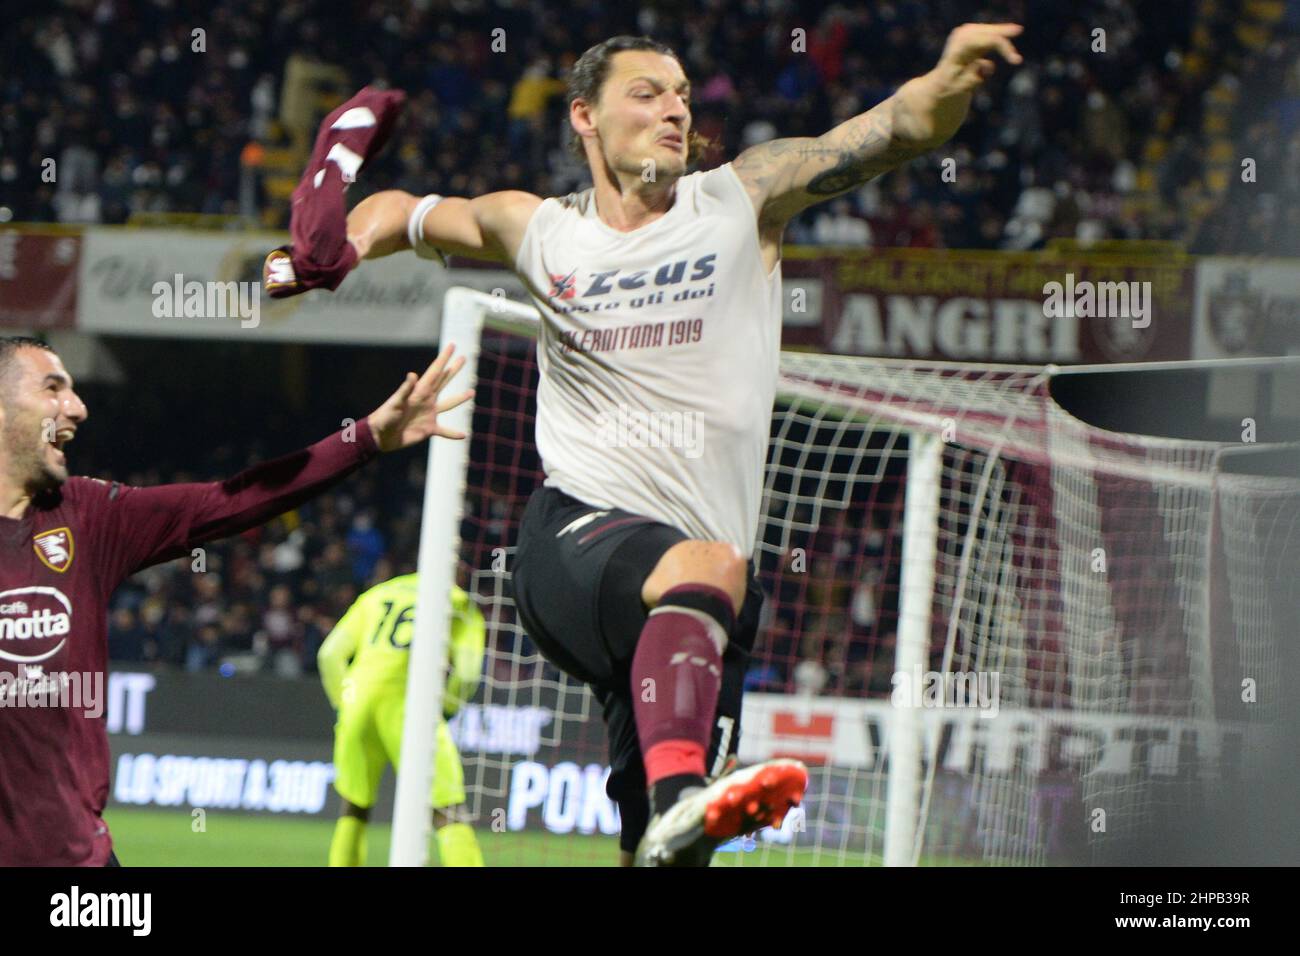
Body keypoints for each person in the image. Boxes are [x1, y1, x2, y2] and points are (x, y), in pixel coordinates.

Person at [267, 23, 1022, 865]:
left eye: (683, 96)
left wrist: (950, 73)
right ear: (584, 116)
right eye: (648, 93)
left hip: (700, 605)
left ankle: (670, 814)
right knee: (702, 598)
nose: (675, 111)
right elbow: (398, 211)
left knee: (666, 853)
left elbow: (895, 130)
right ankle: (681, 798)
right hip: (573, 540)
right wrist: (338, 247)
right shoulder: (538, 229)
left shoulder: (742, 198)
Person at [0, 335, 471, 866]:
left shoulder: (87, 517)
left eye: (74, 389)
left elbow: (235, 498)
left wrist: (361, 440)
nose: (77, 407)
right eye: (52, 388)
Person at [317, 573, 486, 867]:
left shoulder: (377, 594)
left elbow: (329, 654)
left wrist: (343, 705)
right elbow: (468, 672)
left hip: (358, 700)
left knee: (354, 807)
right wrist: (445, 709)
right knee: (449, 810)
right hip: (411, 705)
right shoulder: (456, 601)